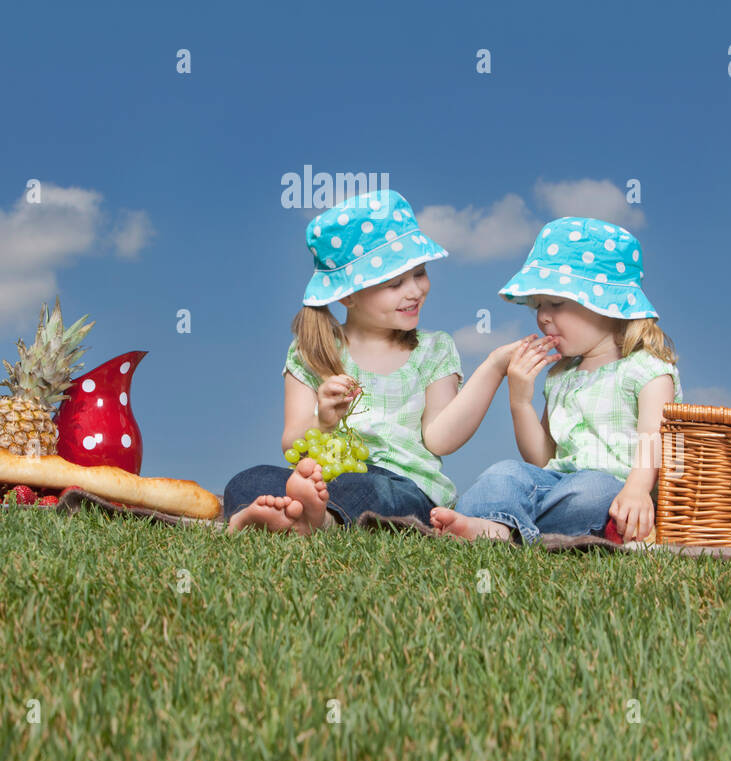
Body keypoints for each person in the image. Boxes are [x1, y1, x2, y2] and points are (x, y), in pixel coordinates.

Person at [224, 189, 523, 534]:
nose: (415, 290)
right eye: (396, 283)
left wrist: (493, 367)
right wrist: (322, 419)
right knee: (250, 478)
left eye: (420, 273)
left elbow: (441, 439)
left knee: (373, 489)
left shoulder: (434, 349)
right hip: (324, 478)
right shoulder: (311, 350)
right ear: (348, 295)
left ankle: (317, 520)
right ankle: (277, 515)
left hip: (405, 484)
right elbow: (292, 443)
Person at [431, 216, 682, 546]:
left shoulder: (646, 369)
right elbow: (542, 460)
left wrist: (637, 488)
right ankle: (496, 528)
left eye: (557, 303)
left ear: (605, 305)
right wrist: (520, 401)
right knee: (504, 473)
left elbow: (655, 439)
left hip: (618, 489)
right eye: (539, 305)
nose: (542, 316)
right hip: (558, 482)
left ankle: (507, 529)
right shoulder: (562, 375)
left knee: (592, 491)